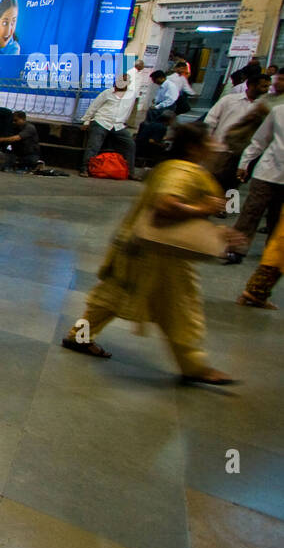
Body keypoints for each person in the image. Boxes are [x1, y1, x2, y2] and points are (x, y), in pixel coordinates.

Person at [62, 123, 244, 385]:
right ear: (194, 148)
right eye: (209, 142)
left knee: (109, 299)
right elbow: (165, 205)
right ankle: (193, 366)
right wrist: (203, 206)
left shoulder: (169, 167)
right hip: (160, 254)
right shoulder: (183, 171)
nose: (214, 147)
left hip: (134, 246)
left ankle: (78, 336)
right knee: (180, 310)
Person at [227, 102, 284, 264]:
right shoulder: (278, 111)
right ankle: (236, 249)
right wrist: (244, 162)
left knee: (278, 217)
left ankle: (273, 253)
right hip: (267, 171)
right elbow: (260, 140)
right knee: (251, 211)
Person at [79, 78, 138, 178]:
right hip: (102, 121)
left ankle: (130, 172)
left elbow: (128, 110)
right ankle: (85, 168)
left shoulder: (130, 95)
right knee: (94, 146)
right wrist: (86, 120)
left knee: (130, 144)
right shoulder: (107, 93)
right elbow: (94, 106)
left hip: (118, 125)